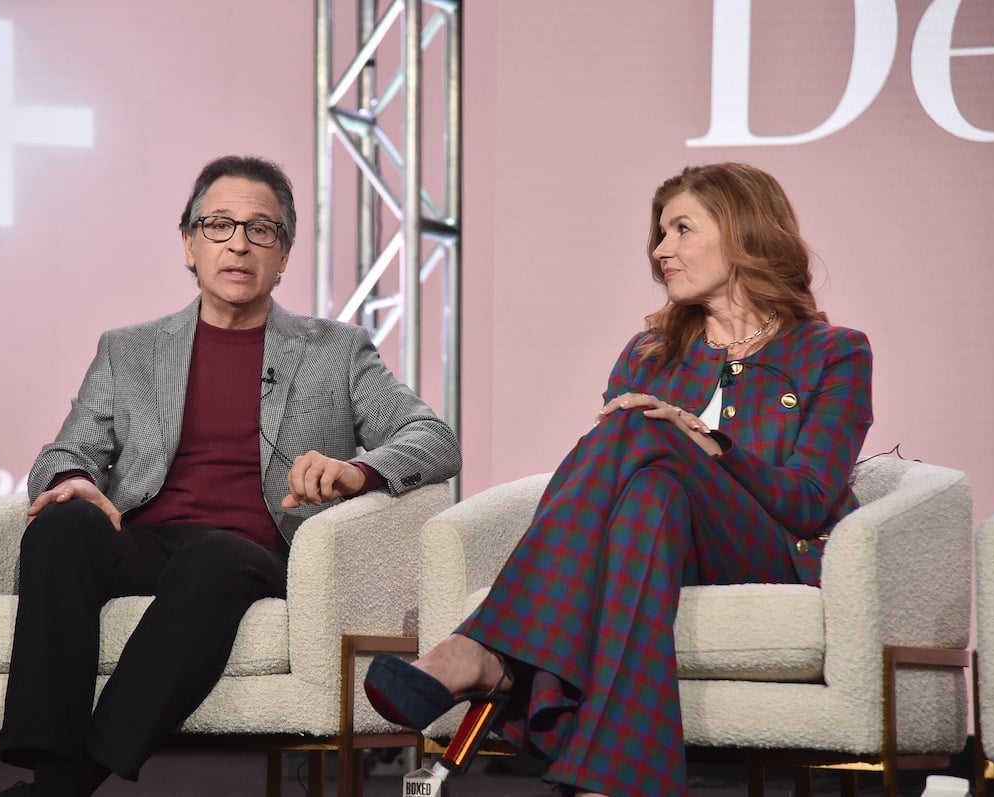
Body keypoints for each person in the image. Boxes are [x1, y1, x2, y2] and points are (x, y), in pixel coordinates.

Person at [364, 162, 873, 796]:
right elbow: (612, 484)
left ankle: (483, 649)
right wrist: (668, 439)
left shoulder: (834, 352)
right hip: (658, 548)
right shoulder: (648, 353)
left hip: (766, 547)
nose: (662, 251)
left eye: (682, 229)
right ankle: (614, 777)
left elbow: (809, 501)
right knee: (649, 496)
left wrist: (707, 444)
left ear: (743, 232)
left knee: (642, 429)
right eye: (659, 235)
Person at [0, 155, 462, 797]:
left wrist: (356, 472)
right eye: (218, 225)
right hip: (147, 539)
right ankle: (52, 766)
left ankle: (63, 786)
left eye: (260, 229)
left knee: (213, 556)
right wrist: (72, 477)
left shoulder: (335, 351)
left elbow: (433, 439)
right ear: (189, 244)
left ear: (284, 253)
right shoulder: (128, 350)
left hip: (257, 552)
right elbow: (60, 452)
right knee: (63, 524)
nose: (238, 243)